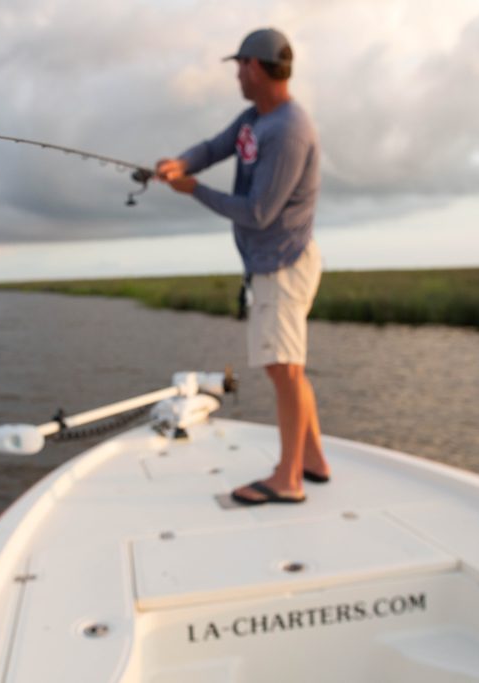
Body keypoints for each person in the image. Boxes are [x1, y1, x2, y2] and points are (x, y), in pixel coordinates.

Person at [155, 28, 330, 505]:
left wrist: (195, 191)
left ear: (256, 66)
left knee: (284, 370)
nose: (236, 74)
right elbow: (214, 147)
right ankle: (312, 459)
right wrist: (180, 163)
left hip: (282, 267)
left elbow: (258, 213)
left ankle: (288, 478)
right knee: (286, 369)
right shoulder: (255, 119)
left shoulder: (289, 130)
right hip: (271, 265)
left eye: (239, 65)